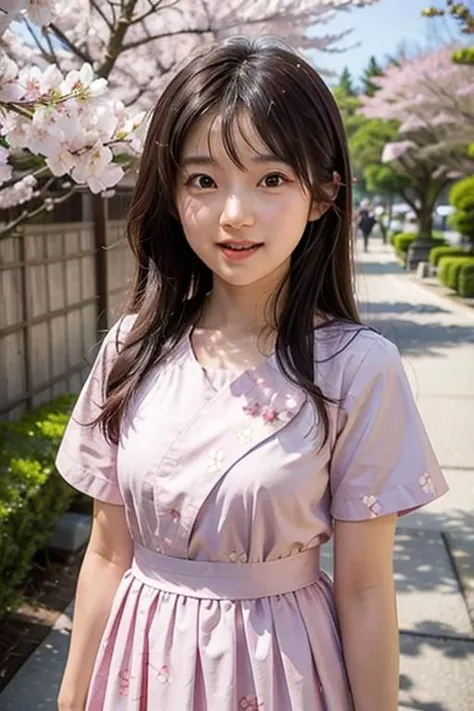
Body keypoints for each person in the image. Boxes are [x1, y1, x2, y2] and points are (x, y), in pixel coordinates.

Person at [55, 37, 448, 711]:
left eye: (270, 179)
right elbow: (107, 553)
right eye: (204, 180)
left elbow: (362, 588)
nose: (234, 212)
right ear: (173, 195)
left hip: (283, 673)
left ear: (323, 193)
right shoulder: (131, 347)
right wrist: (70, 697)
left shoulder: (359, 367)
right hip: (137, 672)